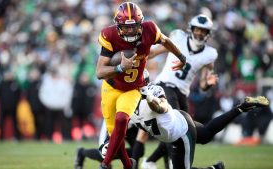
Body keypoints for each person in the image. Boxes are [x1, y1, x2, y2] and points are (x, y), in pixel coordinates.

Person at [95, 2, 186, 169]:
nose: (129, 31)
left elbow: (165, 41)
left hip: (133, 88)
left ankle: (105, 164)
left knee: (122, 119)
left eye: (133, 26)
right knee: (113, 134)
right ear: (118, 25)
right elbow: (99, 72)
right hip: (111, 87)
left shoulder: (150, 29)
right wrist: (120, 67)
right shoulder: (110, 35)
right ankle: (129, 165)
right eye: (126, 27)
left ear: (140, 23)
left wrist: (181, 57)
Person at [139, 14, 219, 168]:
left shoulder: (210, 54)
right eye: (197, 29)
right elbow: (153, 53)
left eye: (203, 31)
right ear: (191, 29)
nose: (200, 33)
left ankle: (152, 161)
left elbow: (203, 85)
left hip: (182, 93)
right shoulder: (178, 38)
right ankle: (158, 162)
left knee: (185, 131)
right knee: (175, 127)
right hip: (165, 86)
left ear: (208, 33)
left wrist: (208, 84)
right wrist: (136, 57)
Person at [130, 83, 269, 169]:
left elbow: (161, 108)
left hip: (180, 132)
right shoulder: (127, 105)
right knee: (207, 134)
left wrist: (149, 98)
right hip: (179, 122)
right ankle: (241, 108)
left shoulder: (151, 92)